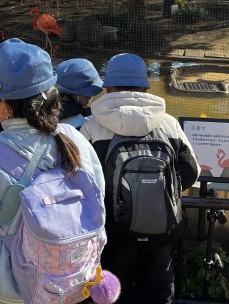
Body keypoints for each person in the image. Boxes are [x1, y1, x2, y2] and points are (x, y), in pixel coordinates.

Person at [0, 38, 105, 304]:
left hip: (7, 297)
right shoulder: (77, 141)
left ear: (5, 106)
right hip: (71, 288)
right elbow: (97, 208)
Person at [80, 53, 200, 304]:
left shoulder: (91, 127)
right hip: (160, 231)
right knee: (157, 293)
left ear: (109, 88)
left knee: (113, 294)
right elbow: (191, 172)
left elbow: (80, 180)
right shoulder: (168, 124)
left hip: (112, 233)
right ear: (145, 88)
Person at [55, 58, 103, 129]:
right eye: (89, 95)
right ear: (80, 96)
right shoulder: (86, 123)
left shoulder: (44, 112)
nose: (90, 99)